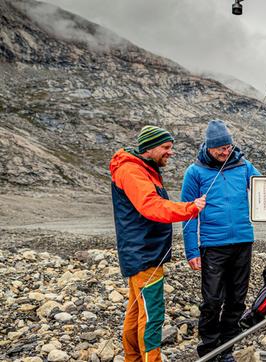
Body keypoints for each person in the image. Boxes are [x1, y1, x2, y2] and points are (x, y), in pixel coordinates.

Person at [110, 125, 206, 362]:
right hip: (144, 254)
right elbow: (151, 206)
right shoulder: (132, 171)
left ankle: (132, 358)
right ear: (149, 148)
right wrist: (190, 208)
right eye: (165, 147)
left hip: (143, 253)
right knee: (152, 314)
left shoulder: (143, 168)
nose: (170, 152)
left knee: (136, 310)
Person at [181, 119, 261, 362]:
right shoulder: (195, 172)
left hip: (242, 242)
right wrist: (191, 250)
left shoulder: (243, 165)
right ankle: (209, 350)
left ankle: (226, 350)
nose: (225, 151)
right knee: (213, 300)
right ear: (208, 147)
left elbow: (265, 187)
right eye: (220, 148)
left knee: (237, 300)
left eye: (228, 146)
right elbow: (188, 213)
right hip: (213, 245)